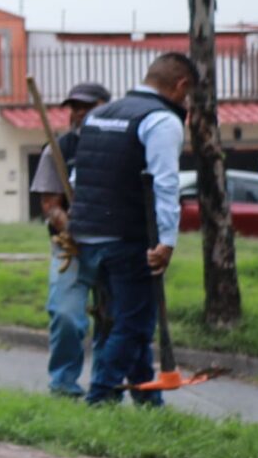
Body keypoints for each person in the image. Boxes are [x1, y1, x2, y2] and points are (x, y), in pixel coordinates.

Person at [68, 52, 196, 408]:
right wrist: (167, 242)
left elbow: (80, 177)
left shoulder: (99, 115)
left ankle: (148, 402)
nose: (186, 104)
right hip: (129, 239)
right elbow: (165, 185)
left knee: (125, 320)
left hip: (88, 236)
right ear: (180, 86)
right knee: (135, 324)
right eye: (187, 97)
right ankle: (101, 398)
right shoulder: (160, 120)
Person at [27, 81, 111, 398]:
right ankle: (63, 385)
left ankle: (106, 388)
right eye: (73, 107)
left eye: (86, 106)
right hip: (70, 249)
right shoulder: (58, 148)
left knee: (112, 319)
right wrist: (74, 228)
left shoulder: (123, 145)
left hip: (113, 245)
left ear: (106, 106)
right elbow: (50, 205)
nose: (78, 113)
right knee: (64, 315)